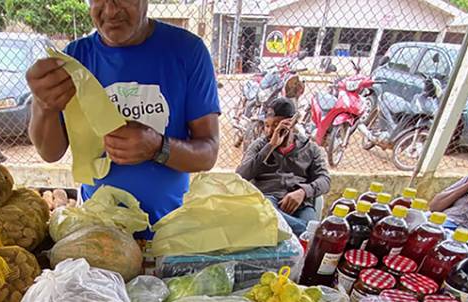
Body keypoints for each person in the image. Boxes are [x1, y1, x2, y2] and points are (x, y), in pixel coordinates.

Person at [25, 0, 220, 233]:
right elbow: (50, 153)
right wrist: (44, 106)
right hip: (97, 229)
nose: (110, 11)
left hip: (170, 227)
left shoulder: (187, 51)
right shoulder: (73, 60)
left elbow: (208, 153)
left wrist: (158, 147)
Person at [236, 97, 331, 234]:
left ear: (292, 123)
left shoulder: (310, 149)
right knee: (306, 232)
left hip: (301, 204)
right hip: (268, 200)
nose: (270, 131)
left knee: (308, 226)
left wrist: (303, 192)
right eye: (267, 125)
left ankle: (302, 231)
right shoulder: (259, 146)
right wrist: (271, 146)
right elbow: (241, 175)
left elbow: (325, 180)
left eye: (276, 125)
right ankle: (307, 232)